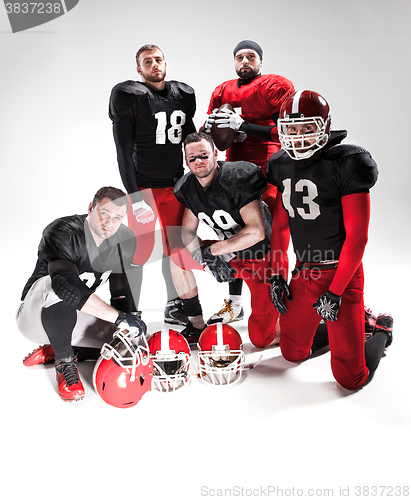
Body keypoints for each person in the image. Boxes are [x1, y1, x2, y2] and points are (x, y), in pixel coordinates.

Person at [266, 90, 393, 390]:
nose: (298, 137)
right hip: (305, 271)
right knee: (292, 352)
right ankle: (354, 323)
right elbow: (281, 228)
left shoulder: (346, 161)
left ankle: (382, 331)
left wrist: (335, 293)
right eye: (292, 129)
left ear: (324, 126)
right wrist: (275, 274)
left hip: (342, 275)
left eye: (307, 128)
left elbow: (358, 239)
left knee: (350, 378)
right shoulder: (280, 163)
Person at [17, 187, 147, 402]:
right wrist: (119, 318)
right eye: (104, 213)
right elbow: (65, 286)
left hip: (74, 314)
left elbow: (121, 291)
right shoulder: (63, 231)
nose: (109, 222)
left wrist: (128, 322)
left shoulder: (123, 239)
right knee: (57, 284)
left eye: (117, 217)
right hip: (36, 315)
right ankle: (65, 364)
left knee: (129, 345)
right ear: (90, 208)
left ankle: (58, 348)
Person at [202, 40, 294, 324]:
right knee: (233, 235)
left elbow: (288, 132)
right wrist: (209, 132)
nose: (245, 61)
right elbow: (210, 133)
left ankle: (278, 298)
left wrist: (245, 127)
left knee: (270, 238)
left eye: (250, 56)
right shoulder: (223, 90)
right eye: (239, 56)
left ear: (261, 61)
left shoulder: (274, 86)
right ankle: (235, 303)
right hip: (232, 171)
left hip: (268, 171)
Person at [109, 43, 197, 326]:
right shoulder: (129, 95)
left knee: (176, 249)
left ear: (166, 63)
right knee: (138, 253)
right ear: (139, 69)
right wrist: (135, 197)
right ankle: (130, 309)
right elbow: (123, 153)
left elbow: (192, 141)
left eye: (158, 59)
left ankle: (176, 304)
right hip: (143, 187)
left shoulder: (182, 95)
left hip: (175, 185)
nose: (154, 65)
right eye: (147, 61)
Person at [171, 132, 279, 347]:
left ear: (215, 154)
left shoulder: (237, 177)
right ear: (186, 161)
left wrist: (212, 252)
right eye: (192, 158)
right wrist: (199, 254)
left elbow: (256, 231)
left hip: (260, 259)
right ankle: (196, 324)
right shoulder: (187, 186)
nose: (198, 161)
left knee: (262, 339)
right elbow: (187, 232)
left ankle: (307, 325)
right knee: (176, 258)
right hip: (229, 254)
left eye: (203, 155)